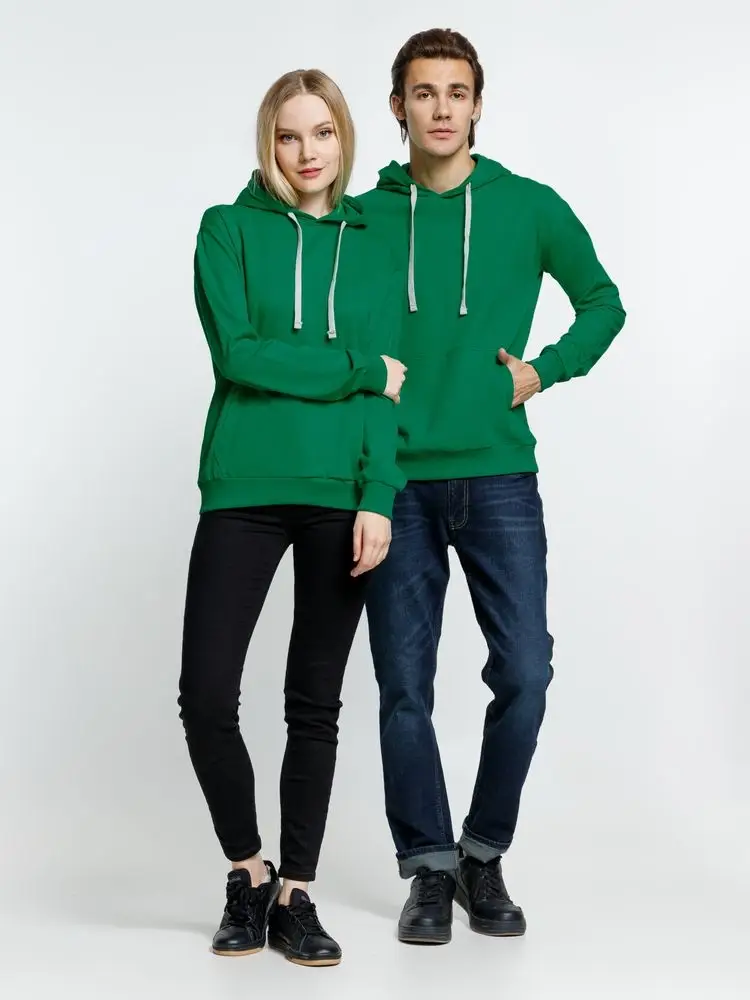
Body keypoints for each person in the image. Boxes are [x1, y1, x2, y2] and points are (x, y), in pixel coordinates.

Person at [359, 28, 626, 944]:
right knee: (404, 684)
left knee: (524, 672)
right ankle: (429, 869)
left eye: (456, 92)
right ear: (398, 106)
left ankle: (482, 852)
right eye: (423, 92)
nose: (440, 108)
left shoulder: (527, 206)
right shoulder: (365, 215)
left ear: (477, 105)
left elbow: (604, 302)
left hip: (500, 474)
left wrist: (543, 371)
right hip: (394, 480)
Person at [178, 69, 407, 968]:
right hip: (244, 484)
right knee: (207, 696)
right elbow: (240, 356)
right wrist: (356, 368)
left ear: (344, 137)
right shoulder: (226, 229)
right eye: (288, 135)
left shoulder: (376, 243)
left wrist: (379, 496)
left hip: (339, 495)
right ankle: (248, 872)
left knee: (314, 703)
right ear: (267, 144)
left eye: (322, 133)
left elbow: (395, 390)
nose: (307, 153)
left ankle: (297, 894)